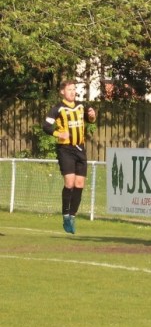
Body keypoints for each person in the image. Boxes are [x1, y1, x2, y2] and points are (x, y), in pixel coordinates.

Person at [42, 79, 97, 234]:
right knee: (70, 182)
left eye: (74, 89)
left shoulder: (81, 106)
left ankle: (72, 216)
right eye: (69, 89)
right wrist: (58, 133)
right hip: (65, 149)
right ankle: (65, 215)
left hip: (80, 148)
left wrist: (92, 116)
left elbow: (90, 120)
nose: (73, 92)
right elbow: (46, 126)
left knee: (80, 184)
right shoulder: (57, 109)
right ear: (62, 92)